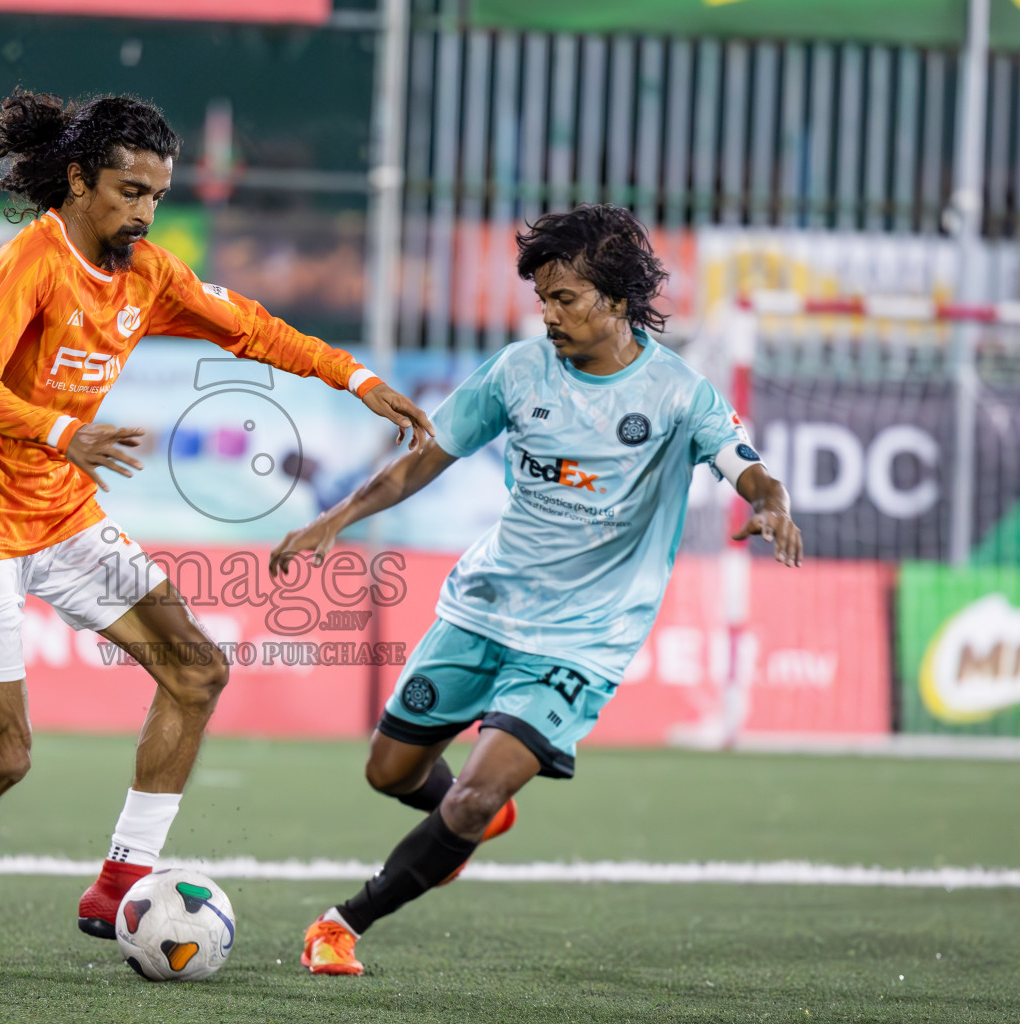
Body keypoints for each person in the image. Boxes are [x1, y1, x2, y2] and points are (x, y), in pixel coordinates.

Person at [0, 89, 434, 970]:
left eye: (157, 195)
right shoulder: (26, 265)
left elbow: (253, 330)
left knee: (198, 671)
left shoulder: (148, 275)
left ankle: (120, 877)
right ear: (81, 179)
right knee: (6, 756)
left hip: (60, 510)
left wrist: (356, 379)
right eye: (130, 191)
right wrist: (66, 432)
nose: (144, 211)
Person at [269, 204, 803, 976]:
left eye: (567, 300)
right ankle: (475, 815)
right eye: (543, 300)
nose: (548, 316)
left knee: (469, 801)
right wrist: (336, 520)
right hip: (483, 607)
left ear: (617, 300)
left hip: (583, 640)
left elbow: (746, 465)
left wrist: (771, 503)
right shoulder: (518, 371)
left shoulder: (678, 393)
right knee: (389, 773)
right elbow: (424, 460)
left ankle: (342, 923)